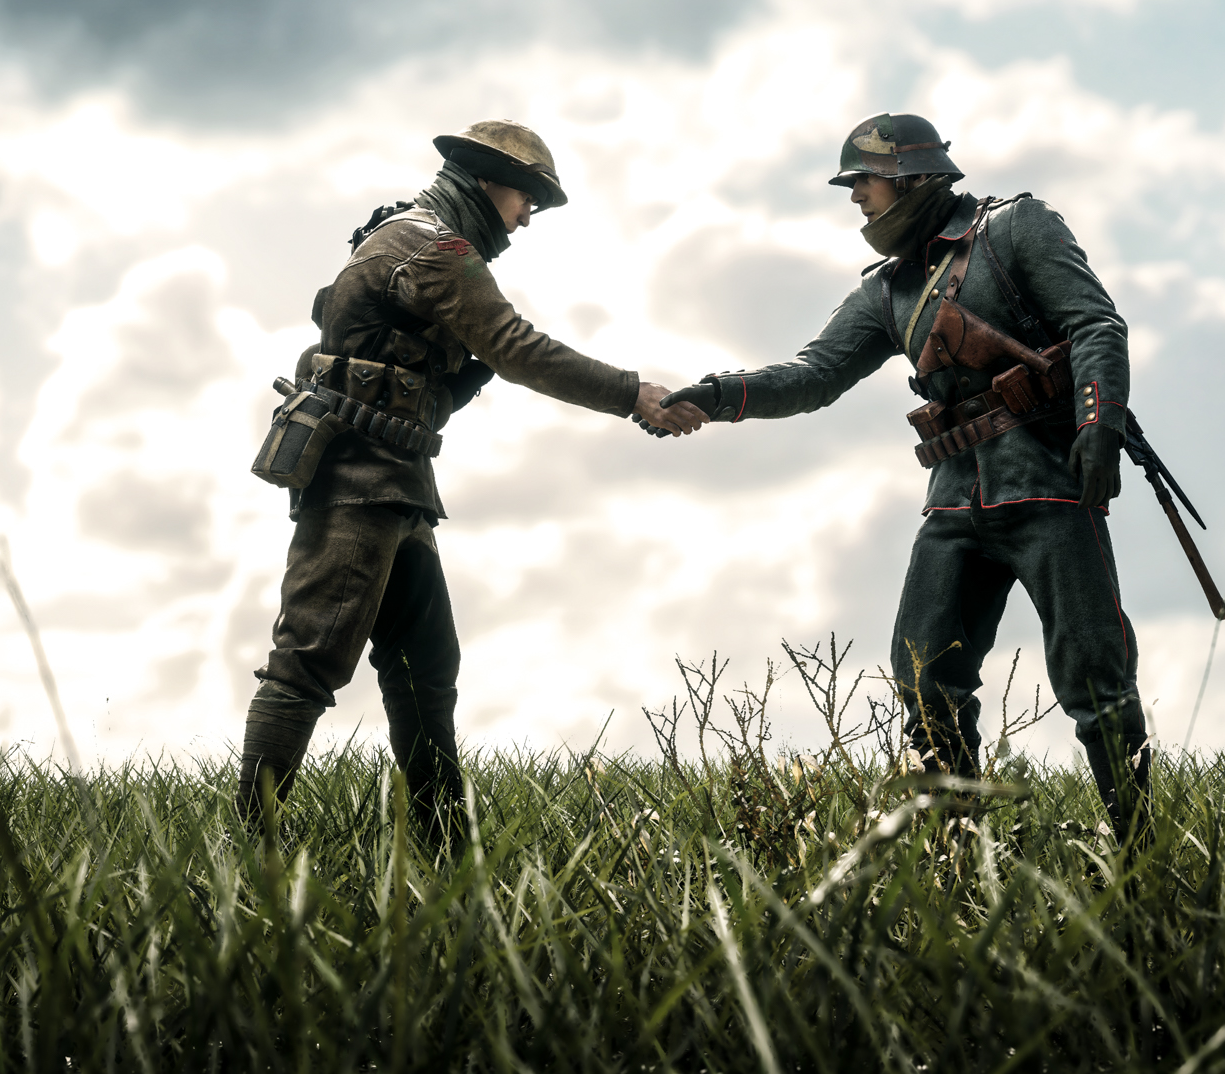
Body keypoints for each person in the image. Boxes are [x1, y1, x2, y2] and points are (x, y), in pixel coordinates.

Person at [660, 113, 1155, 843]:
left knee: (1095, 679)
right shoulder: (890, 290)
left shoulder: (1017, 227)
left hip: (1048, 484)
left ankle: (1140, 851)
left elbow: (1094, 327)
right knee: (924, 679)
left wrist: (1098, 425)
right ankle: (960, 853)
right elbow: (813, 376)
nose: (856, 197)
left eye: (865, 181)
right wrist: (715, 393)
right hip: (954, 502)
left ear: (914, 177)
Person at [240, 120, 705, 843]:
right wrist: (631, 393)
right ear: (491, 182)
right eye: (528, 200)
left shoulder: (414, 239)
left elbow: (449, 368)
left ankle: (446, 847)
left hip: (398, 483)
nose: (529, 218)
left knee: (427, 668)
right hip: (361, 483)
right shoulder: (431, 247)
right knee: (309, 658)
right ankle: (251, 843)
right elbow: (516, 346)